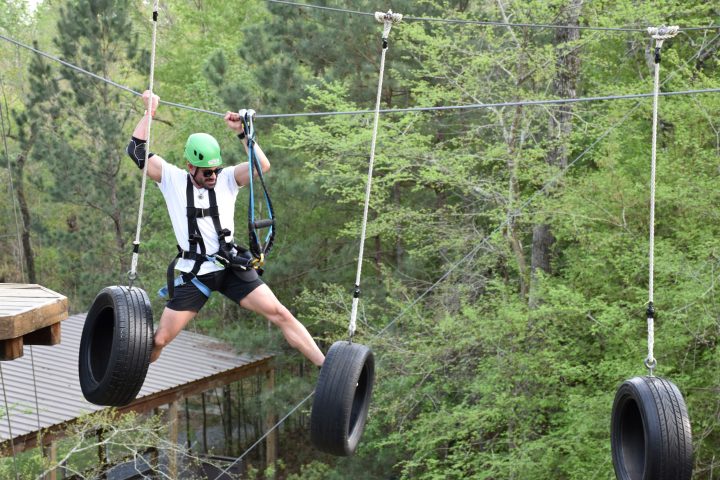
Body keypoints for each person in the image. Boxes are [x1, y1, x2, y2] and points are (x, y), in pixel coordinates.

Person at [126, 90, 325, 367]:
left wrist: (242, 133)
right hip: (195, 273)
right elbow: (136, 151)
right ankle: (126, 382)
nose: (212, 176)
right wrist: (150, 112)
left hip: (229, 266)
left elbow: (261, 166)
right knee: (159, 340)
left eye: (215, 170)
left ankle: (327, 369)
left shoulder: (227, 178)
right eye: (206, 172)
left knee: (280, 314)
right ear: (189, 166)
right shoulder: (172, 179)